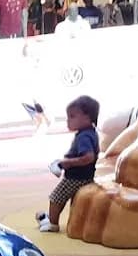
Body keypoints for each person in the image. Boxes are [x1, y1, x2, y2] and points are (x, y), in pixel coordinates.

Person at [37, 95, 100, 234]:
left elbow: (89, 157)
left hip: (76, 178)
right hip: (85, 176)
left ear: (87, 117)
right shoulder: (89, 133)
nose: (68, 120)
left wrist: (67, 163)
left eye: (72, 116)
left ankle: (53, 223)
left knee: (56, 197)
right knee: (75, 202)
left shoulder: (84, 137)